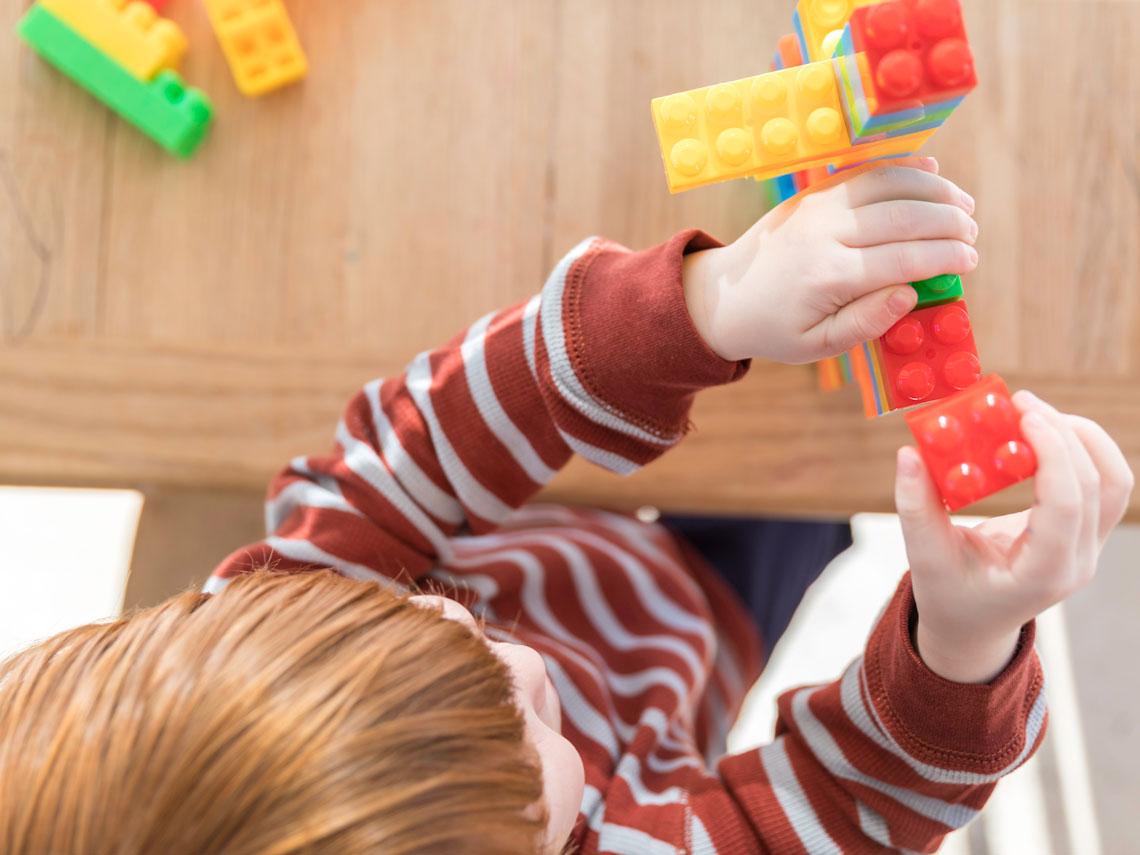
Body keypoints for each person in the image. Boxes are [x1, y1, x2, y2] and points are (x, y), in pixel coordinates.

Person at [0, 159, 1131, 854]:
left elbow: (409, 448)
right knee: (814, 500)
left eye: (456, 638)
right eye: (533, 746)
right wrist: (965, 638)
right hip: (702, 623)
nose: (536, 670)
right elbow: (852, 811)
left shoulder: (274, 631)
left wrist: (706, 306)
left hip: (574, 513)